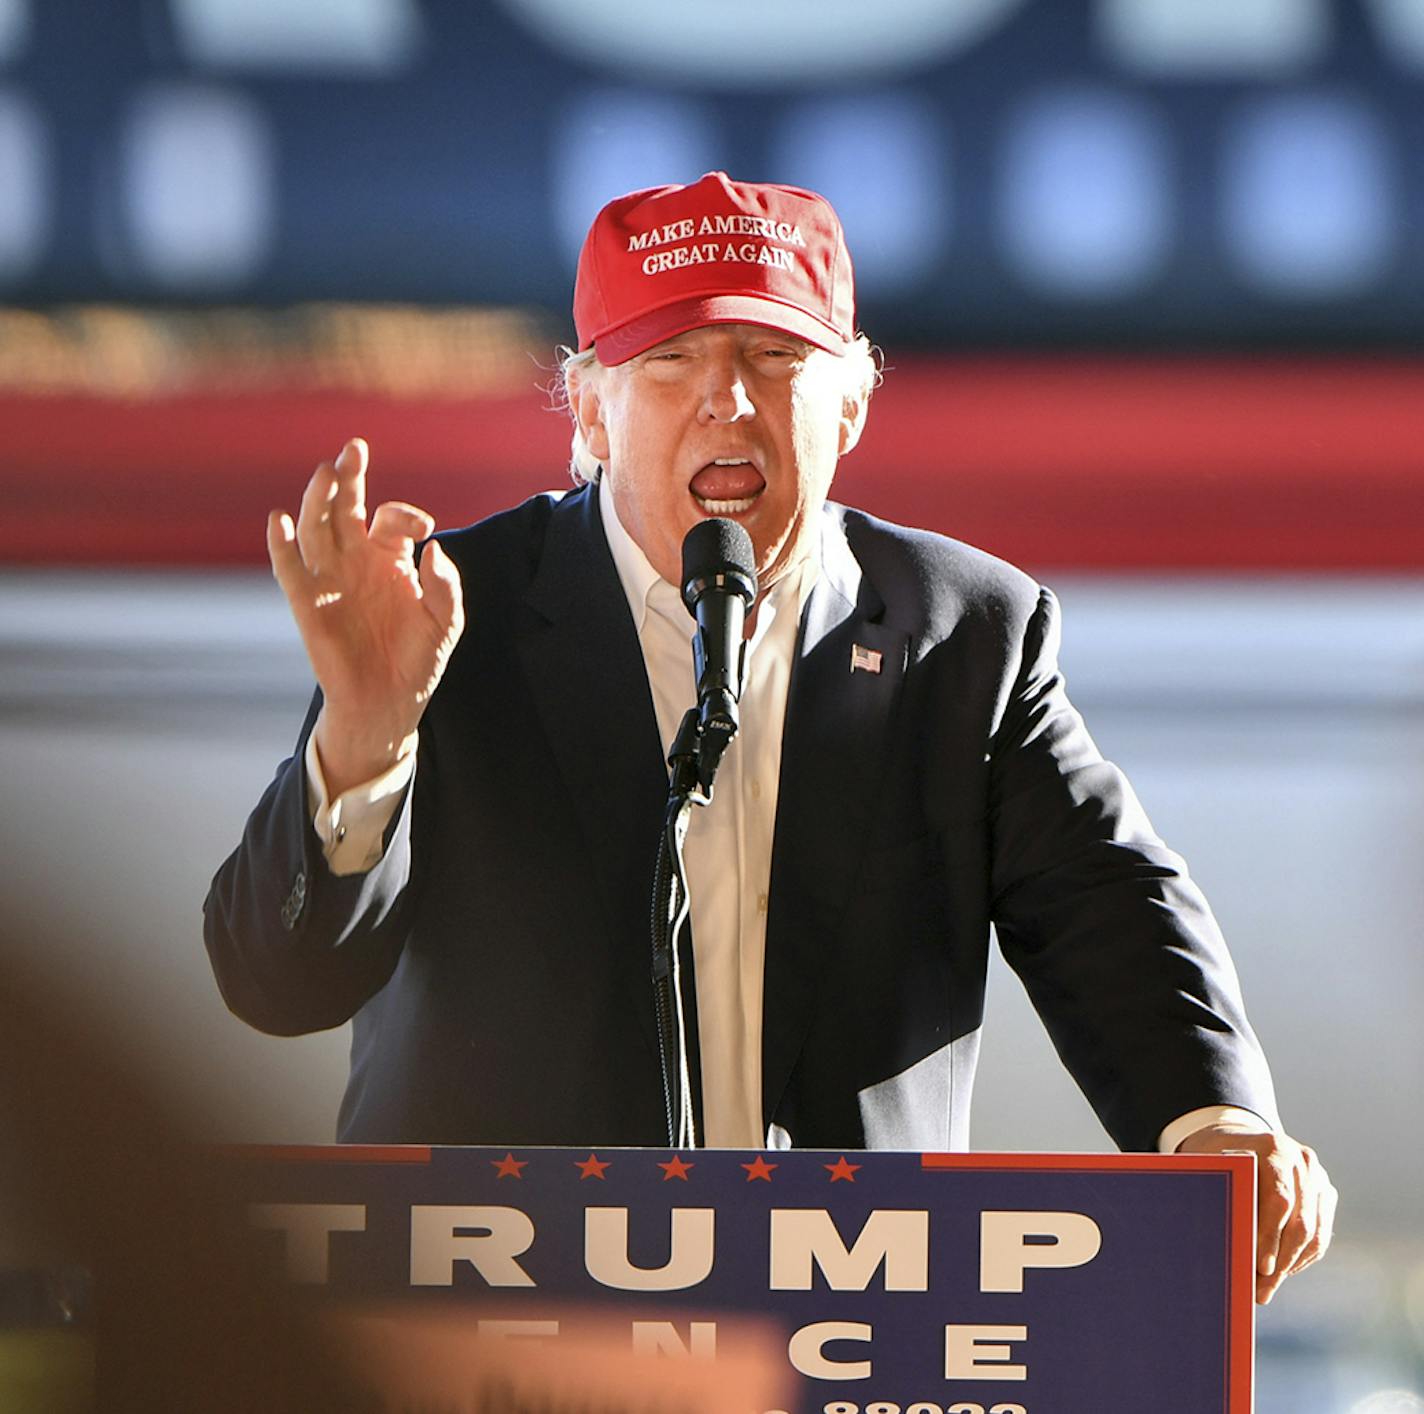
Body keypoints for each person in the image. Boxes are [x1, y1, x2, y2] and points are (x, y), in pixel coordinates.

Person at [204, 172, 1335, 1305]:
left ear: (848, 407)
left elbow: (1108, 901)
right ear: (589, 412)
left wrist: (1214, 1120)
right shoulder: (449, 616)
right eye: (671, 361)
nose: (726, 403)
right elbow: (276, 977)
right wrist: (364, 738)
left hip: (844, 1332)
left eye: (773, 359)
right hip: (504, 1329)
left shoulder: (962, 635)